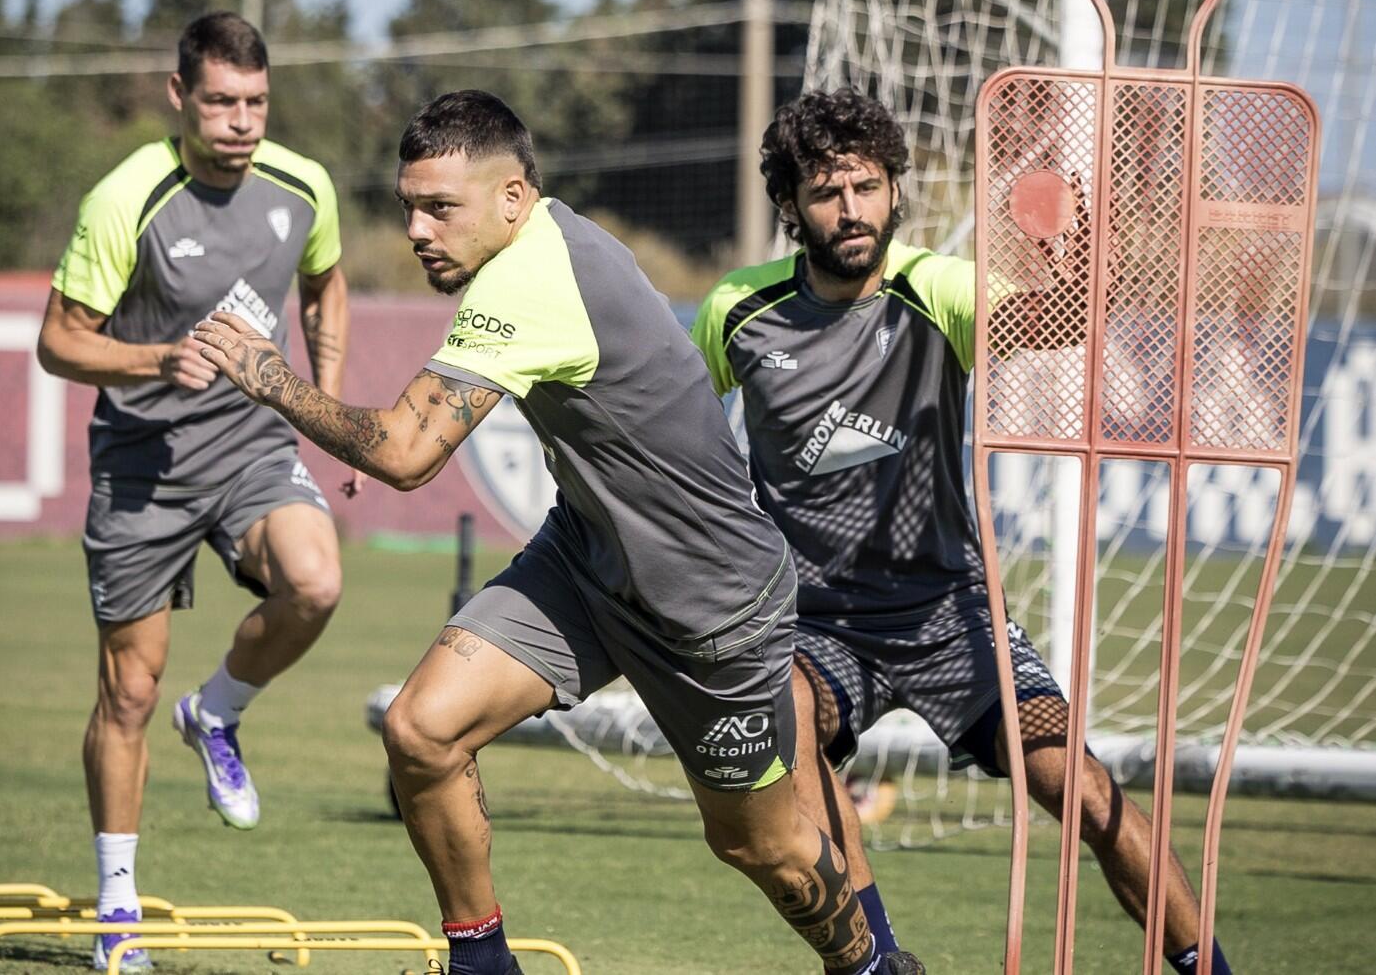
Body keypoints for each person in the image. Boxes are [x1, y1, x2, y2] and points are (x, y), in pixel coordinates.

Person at [193, 89, 923, 975]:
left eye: (439, 207)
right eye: (409, 206)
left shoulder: (534, 278)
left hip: (709, 607)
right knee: (422, 730)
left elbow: (405, 453)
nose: (418, 229)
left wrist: (269, 376)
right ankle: (482, 965)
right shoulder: (540, 241)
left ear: (512, 197)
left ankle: (872, 967)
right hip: (586, 562)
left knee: (757, 845)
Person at [691, 86, 1234, 975]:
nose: (850, 209)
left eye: (867, 186)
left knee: (1082, 790)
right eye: (825, 192)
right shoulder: (735, 311)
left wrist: (1079, 247)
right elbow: (671, 423)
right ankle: (874, 961)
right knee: (786, 721)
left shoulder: (934, 287)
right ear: (789, 204)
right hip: (816, 625)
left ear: (893, 190)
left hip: (950, 614)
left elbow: (1059, 319)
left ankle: (1206, 966)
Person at [36, 11, 358, 969]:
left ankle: (215, 712)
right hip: (143, 465)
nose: (241, 122)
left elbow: (325, 286)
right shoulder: (124, 199)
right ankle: (118, 911)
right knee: (129, 691)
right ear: (179, 95)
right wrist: (155, 358)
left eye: (256, 102)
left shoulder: (303, 185)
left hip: (253, 448)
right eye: (220, 102)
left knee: (316, 582)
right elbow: (58, 341)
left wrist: (325, 409)